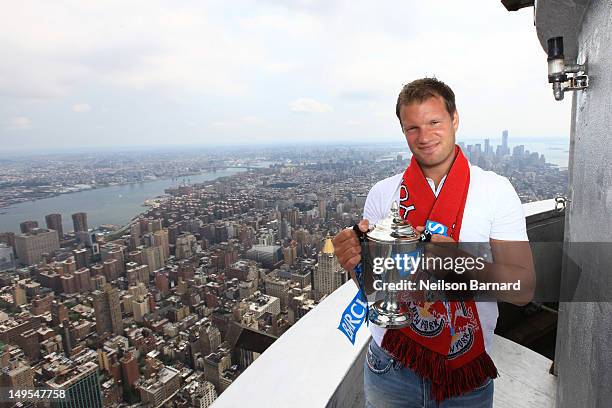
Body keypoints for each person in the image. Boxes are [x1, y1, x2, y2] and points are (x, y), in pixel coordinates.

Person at [333, 78, 535, 407]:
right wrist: (355, 261)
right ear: (402, 131)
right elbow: (373, 289)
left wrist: (460, 263)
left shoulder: (495, 191)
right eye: (412, 127)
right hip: (390, 362)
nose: (424, 137)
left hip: (465, 368)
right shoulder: (383, 194)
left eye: (434, 122)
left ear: (454, 119)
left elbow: (523, 289)